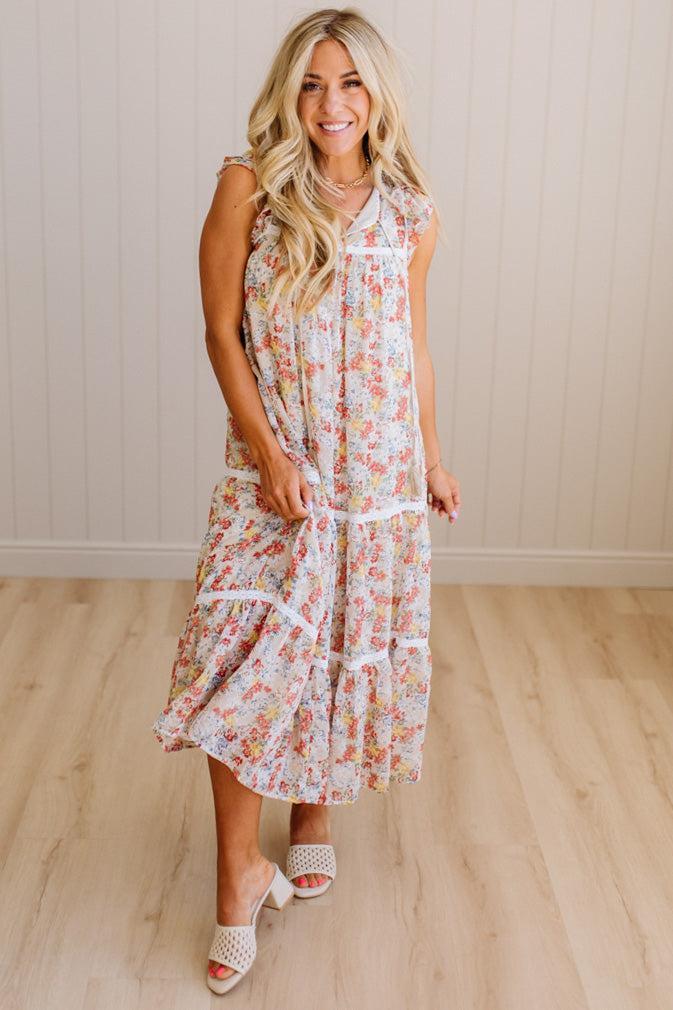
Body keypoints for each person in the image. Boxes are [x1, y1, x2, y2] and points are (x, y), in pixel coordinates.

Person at [150, 5, 461, 995]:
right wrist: (267, 450)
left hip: (375, 486)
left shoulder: (410, 209)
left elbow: (409, 347)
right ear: (291, 91)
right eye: (314, 83)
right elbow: (219, 334)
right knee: (241, 665)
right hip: (276, 480)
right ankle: (237, 878)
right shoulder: (249, 186)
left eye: (351, 83)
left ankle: (313, 811)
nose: (332, 104)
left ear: (378, 95)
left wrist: (432, 456)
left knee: (334, 652)